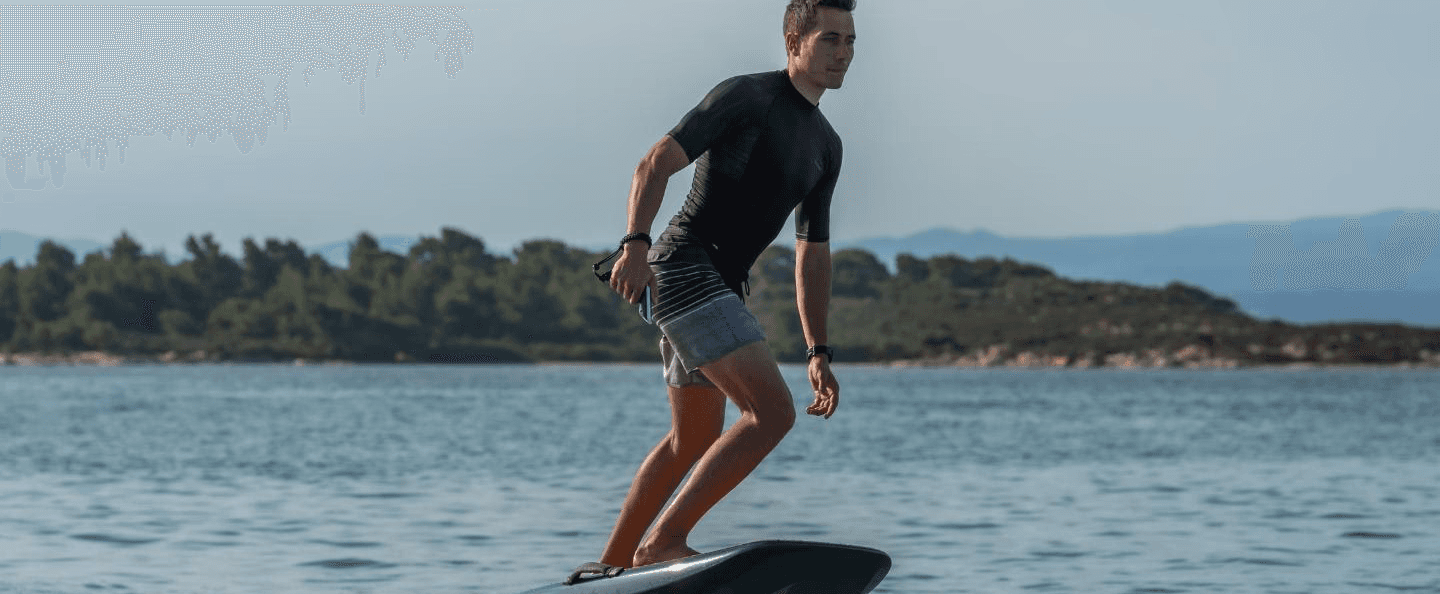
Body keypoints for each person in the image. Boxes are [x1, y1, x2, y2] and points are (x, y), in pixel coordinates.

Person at [582, 0, 858, 576]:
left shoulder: (827, 146)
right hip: (684, 267)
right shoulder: (747, 97)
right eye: (830, 39)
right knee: (771, 413)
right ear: (794, 42)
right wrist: (634, 244)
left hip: (718, 284)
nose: (843, 53)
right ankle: (661, 543)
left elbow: (812, 253)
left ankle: (607, 574)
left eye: (850, 41)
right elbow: (655, 162)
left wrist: (817, 349)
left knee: (693, 437)